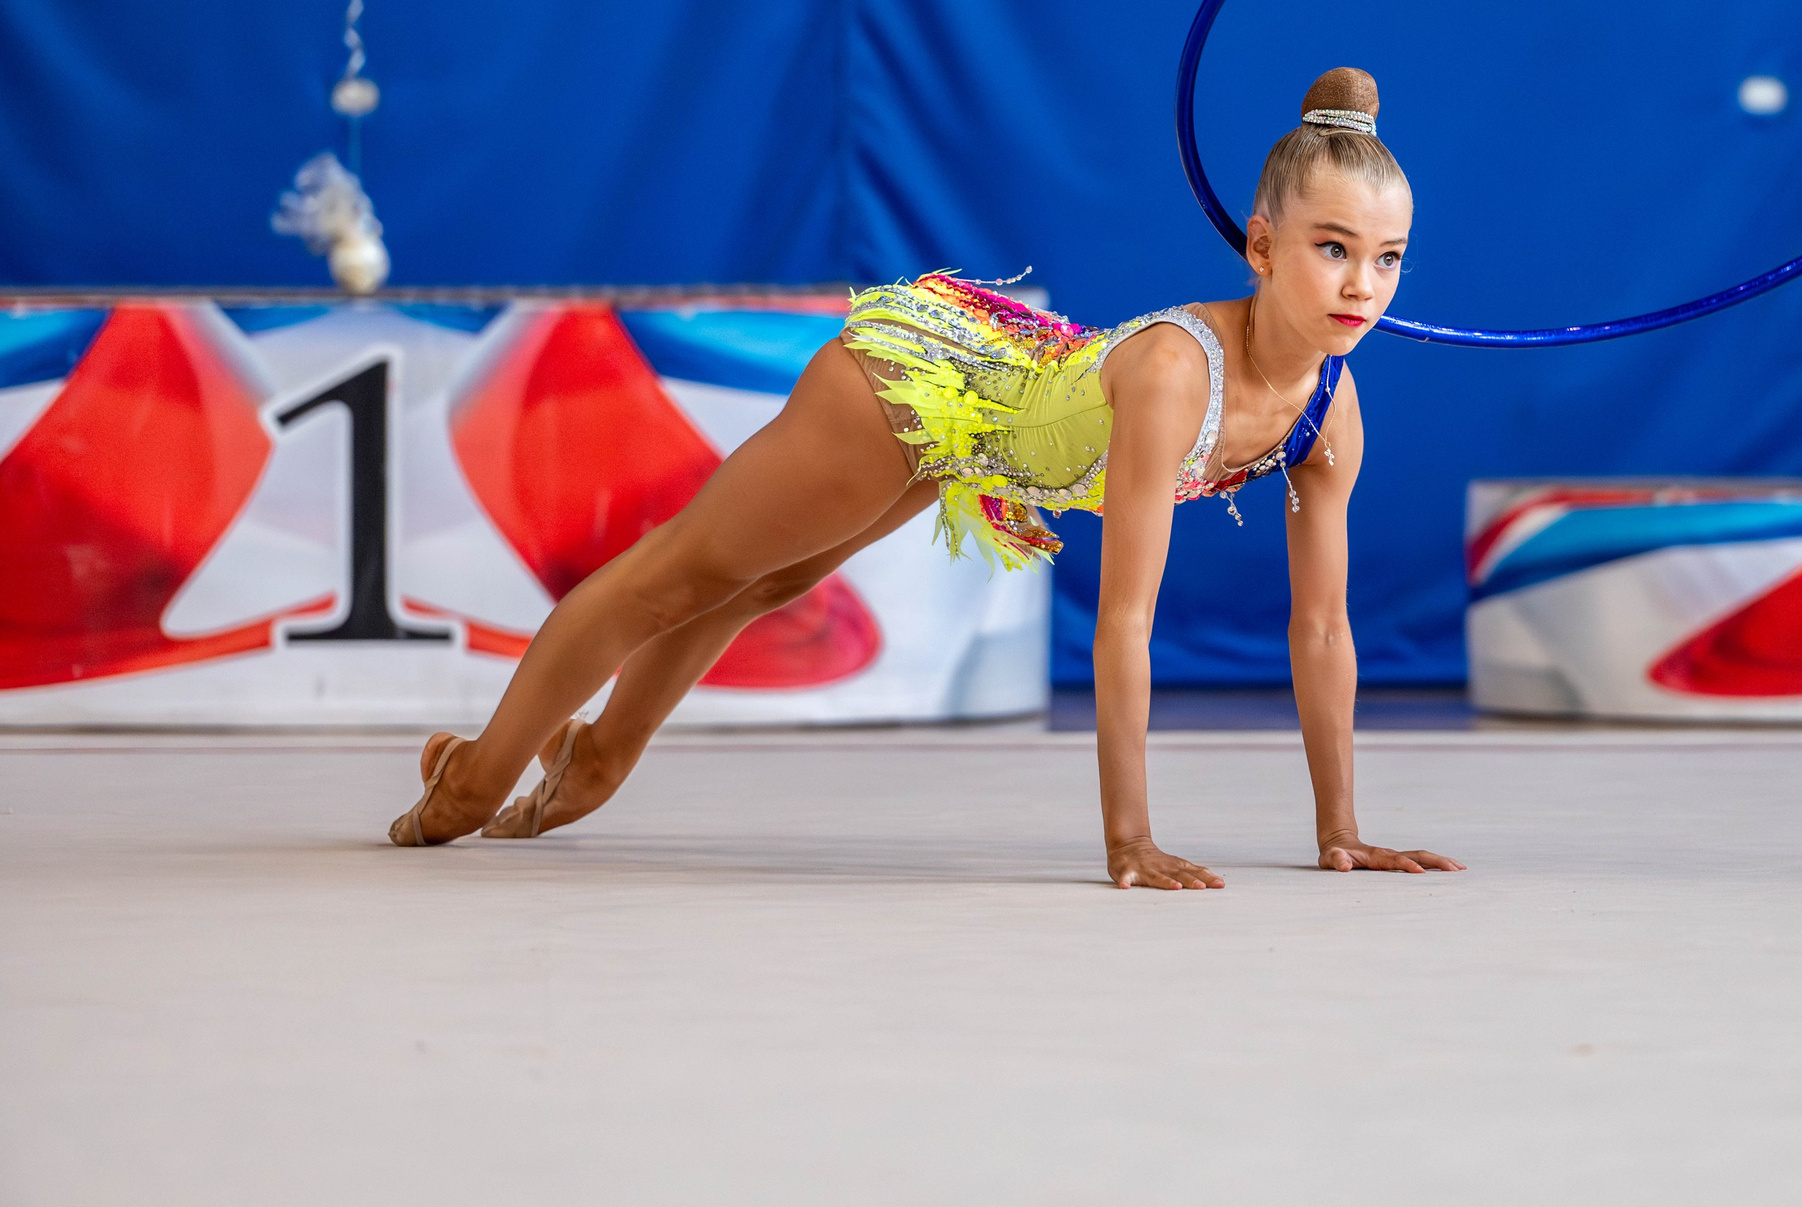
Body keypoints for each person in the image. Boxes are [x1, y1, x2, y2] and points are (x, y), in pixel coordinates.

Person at [389, 67, 1461, 890]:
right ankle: (479, 777)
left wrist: (1340, 831)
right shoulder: (1182, 372)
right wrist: (1128, 838)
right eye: (1333, 248)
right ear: (1262, 247)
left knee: (763, 585)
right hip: (919, 386)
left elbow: (1321, 628)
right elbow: (1123, 624)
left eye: (1388, 257)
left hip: (989, 432)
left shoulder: (1331, 406)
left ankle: (592, 758)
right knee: (679, 572)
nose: (1362, 284)